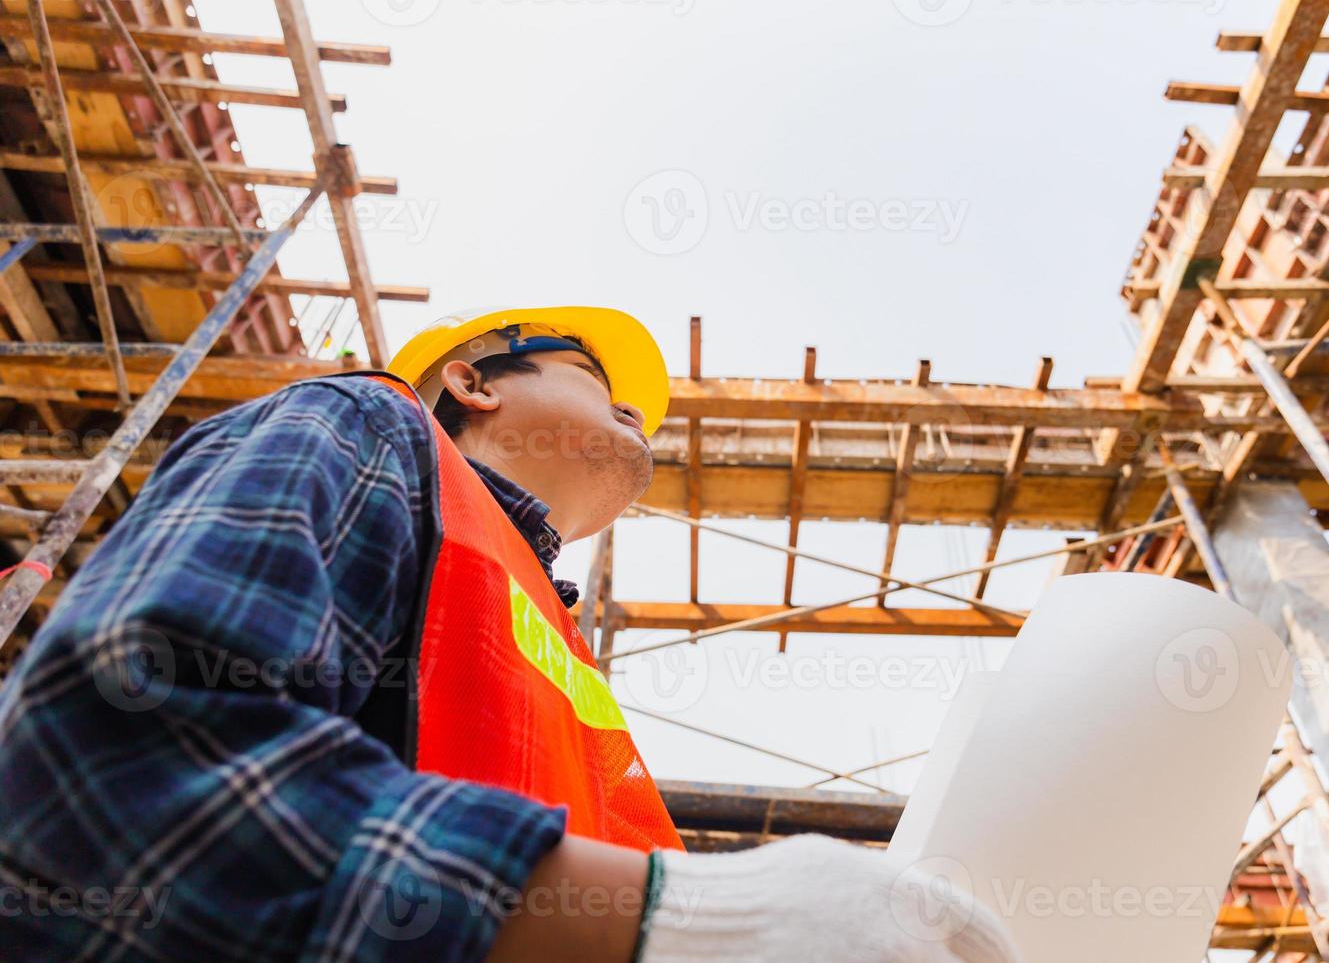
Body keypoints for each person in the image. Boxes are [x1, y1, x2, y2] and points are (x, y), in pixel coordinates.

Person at [0, 307, 1022, 962]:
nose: (631, 405)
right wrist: (713, 916)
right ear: (479, 383)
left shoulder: (556, 642)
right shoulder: (366, 429)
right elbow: (121, 764)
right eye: (589, 371)